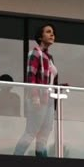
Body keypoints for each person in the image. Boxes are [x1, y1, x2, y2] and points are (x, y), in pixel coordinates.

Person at [13, 23, 58, 157]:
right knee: (31, 131)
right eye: (48, 32)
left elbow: (49, 81)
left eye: (53, 33)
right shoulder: (35, 53)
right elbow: (31, 76)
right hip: (38, 99)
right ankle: (13, 160)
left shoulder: (49, 58)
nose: (52, 35)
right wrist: (35, 97)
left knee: (44, 135)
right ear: (40, 36)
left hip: (49, 100)